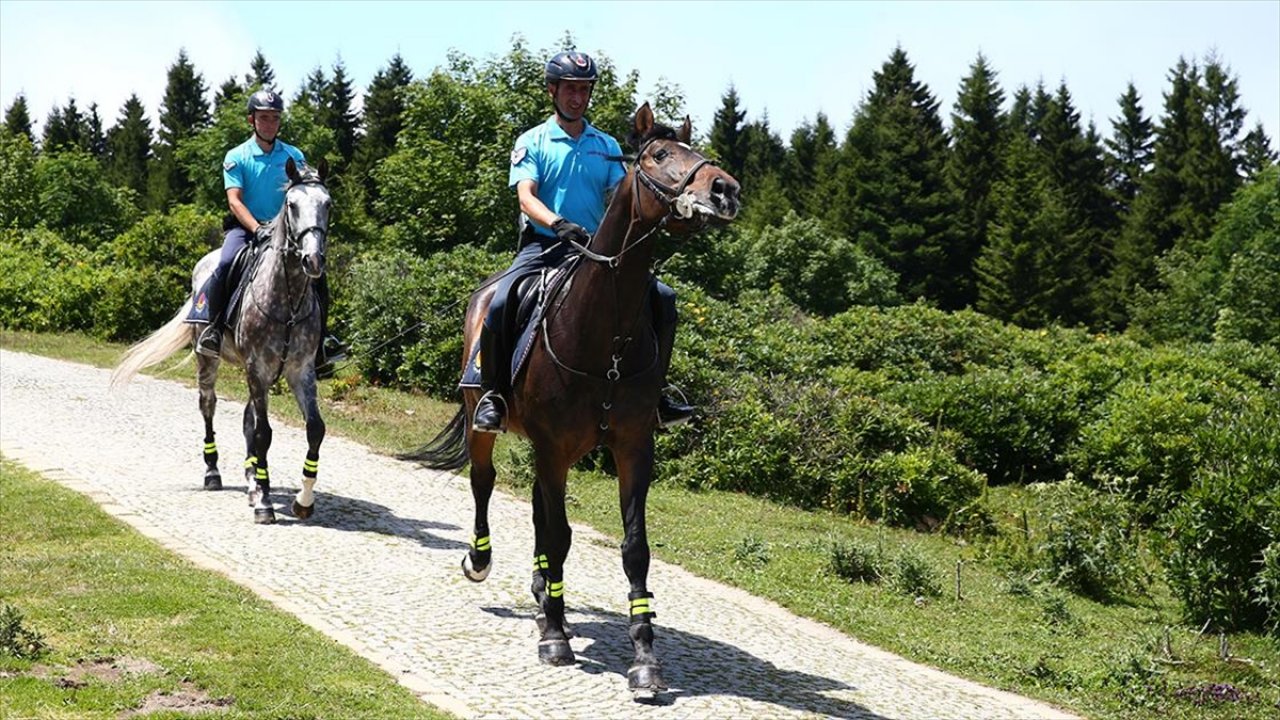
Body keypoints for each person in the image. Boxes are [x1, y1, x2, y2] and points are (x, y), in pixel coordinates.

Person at [471, 51, 693, 433]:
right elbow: (526, 196)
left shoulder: (605, 146)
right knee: (502, 300)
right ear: (553, 91)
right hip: (543, 245)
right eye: (570, 89)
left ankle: (657, 395)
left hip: (593, 251)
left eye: (584, 90)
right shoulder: (533, 141)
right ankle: (493, 395)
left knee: (664, 298)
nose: (578, 98)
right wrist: (557, 223)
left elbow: (626, 195)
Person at [188, 89, 343, 373]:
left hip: (286, 232)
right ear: (252, 120)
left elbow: (303, 194)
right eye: (264, 118)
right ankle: (213, 329)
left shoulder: (294, 155)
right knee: (224, 263)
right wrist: (257, 228)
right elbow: (234, 200)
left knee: (317, 273)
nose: (270, 123)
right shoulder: (237, 156)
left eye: (274, 118)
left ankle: (323, 341)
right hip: (248, 229)